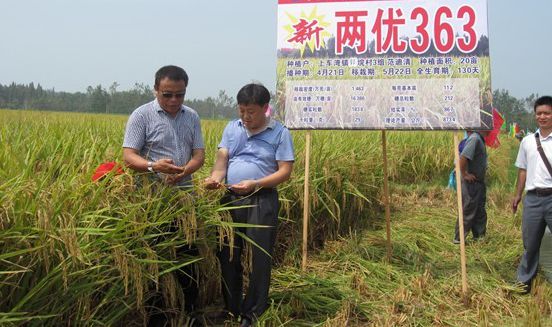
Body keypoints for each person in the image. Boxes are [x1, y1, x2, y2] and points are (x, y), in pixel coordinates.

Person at [204, 83, 294, 326]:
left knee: (259, 256)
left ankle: (253, 311)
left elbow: (284, 171)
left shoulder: (279, 133)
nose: (245, 117)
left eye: (251, 112)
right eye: (241, 110)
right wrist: (214, 179)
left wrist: (256, 183)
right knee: (228, 254)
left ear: (265, 109)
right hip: (230, 199)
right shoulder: (232, 129)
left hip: (261, 199)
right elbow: (222, 161)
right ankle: (231, 308)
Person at [122, 65, 205, 325]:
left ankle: (191, 313)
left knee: (188, 259)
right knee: (154, 262)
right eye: (167, 94)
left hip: (184, 203)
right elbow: (128, 156)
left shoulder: (191, 116)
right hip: (152, 205)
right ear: (156, 89)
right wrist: (153, 166)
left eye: (179, 95)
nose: (173, 101)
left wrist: (184, 171)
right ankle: (157, 318)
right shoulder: (141, 116)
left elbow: (199, 155)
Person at [512, 95, 552, 294]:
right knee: (530, 243)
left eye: (547, 113)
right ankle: (524, 282)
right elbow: (522, 170)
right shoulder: (527, 141)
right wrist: (518, 195)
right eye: (539, 113)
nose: (542, 117)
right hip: (533, 199)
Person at [453, 130, 488, 244]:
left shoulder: (480, 139)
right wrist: (464, 174)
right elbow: (463, 158)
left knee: (479, 211)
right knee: (468, 211)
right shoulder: (475, 138)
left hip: (478, 183)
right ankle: (459, 239)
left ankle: (479, 238)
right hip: (471, 184)